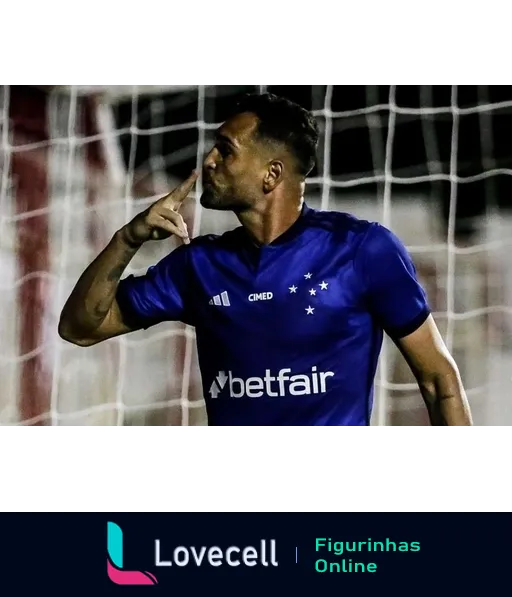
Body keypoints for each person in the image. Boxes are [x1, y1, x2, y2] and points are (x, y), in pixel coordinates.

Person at [58, 93, 472, 430]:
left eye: (226, 149)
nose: (208, 161)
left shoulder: (362, 249)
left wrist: (463, 502)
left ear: (271, 175)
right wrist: (127, 238)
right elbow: (80, 328)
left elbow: (439, 381)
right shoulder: (199, 265)